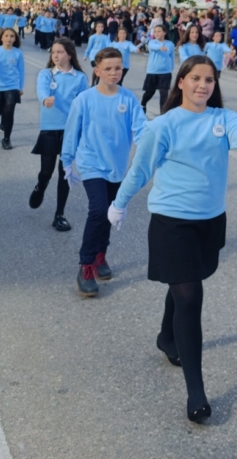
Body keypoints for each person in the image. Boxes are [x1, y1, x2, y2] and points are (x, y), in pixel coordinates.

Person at [108, 56, 237, 422]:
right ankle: (196, 393)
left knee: (185, 283)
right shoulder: (165, 125)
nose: (203, 85)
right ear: (182, 83)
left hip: (209, 222)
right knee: (190, 296)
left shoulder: (222, 120)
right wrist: (119, 203)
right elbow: (141, 170)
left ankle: (165, 336)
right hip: (172, 223)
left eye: (210, 80)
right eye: (196, 79)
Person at [61, 48, 147, 299]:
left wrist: (152, 146)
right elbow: (72, 131)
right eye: (108, 68)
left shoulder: (128, 99)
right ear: (97, 70)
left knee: (109, 213)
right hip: (91, 164)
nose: (113, 73)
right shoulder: (84, 100)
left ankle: (101, 255)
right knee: (98, 210)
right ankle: (86, 266)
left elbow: (141, 129)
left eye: (118, 68)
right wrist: (67, 161)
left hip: (117, 167)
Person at [30, 38, 88, 231]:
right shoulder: (46, 74)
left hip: (70, 130)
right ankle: (40, 186)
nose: (56, 55)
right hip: (49, 128)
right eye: (53, 52)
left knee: (65, 173)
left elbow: (83, 102)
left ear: (69, 54)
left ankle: (59, 214)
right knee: (46, 171)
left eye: (60, 52)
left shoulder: (79, 77)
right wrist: (45, 98)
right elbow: (41, 90)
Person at [141, 24, 175, 113]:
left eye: (159, 31)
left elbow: (172, 57)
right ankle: (143, 104)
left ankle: (163, 113)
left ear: (164, 33)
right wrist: (160, 47)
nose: (156, 33)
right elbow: (152, 47)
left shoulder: (170, 44)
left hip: (165, 72)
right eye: (155, 31)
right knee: (150, 92)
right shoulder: (152, 42)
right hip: (153, 71)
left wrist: (171, 67)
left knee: (164, 93)